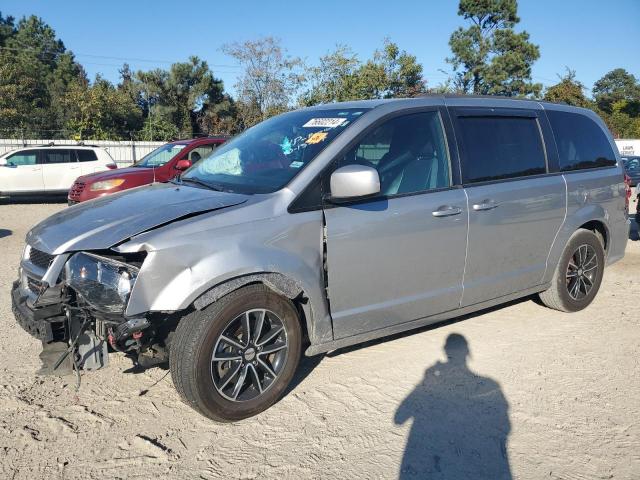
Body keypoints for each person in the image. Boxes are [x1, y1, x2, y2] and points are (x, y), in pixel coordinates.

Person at [395, 334, 512, 479]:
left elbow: (399, 418)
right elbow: (505, 427)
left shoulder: (489, 385)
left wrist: (425, 380)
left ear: (446, 351)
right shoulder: (490, 384)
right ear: (467, 353)